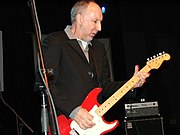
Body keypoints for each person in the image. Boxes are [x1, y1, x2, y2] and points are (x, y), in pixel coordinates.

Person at [42, 0, 150, 134]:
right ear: (79, 18)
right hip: (66, 124)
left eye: (100, 22)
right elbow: (45, 84)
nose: (99, 28)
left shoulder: (98, 48)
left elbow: (104, 85)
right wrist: (73, 111)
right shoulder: (55, 41)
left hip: (92, 125)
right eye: (95, 21)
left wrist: (131, 84)